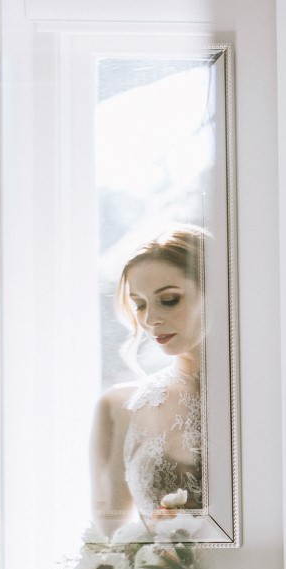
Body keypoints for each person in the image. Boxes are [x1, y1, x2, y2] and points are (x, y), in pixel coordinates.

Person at [90, 226, 207, 540]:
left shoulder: (268, 395)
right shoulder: (118, 408)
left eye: (168, 300)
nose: (150, 319)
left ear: (219, 291)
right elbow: (108, 543)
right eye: (139, 304)